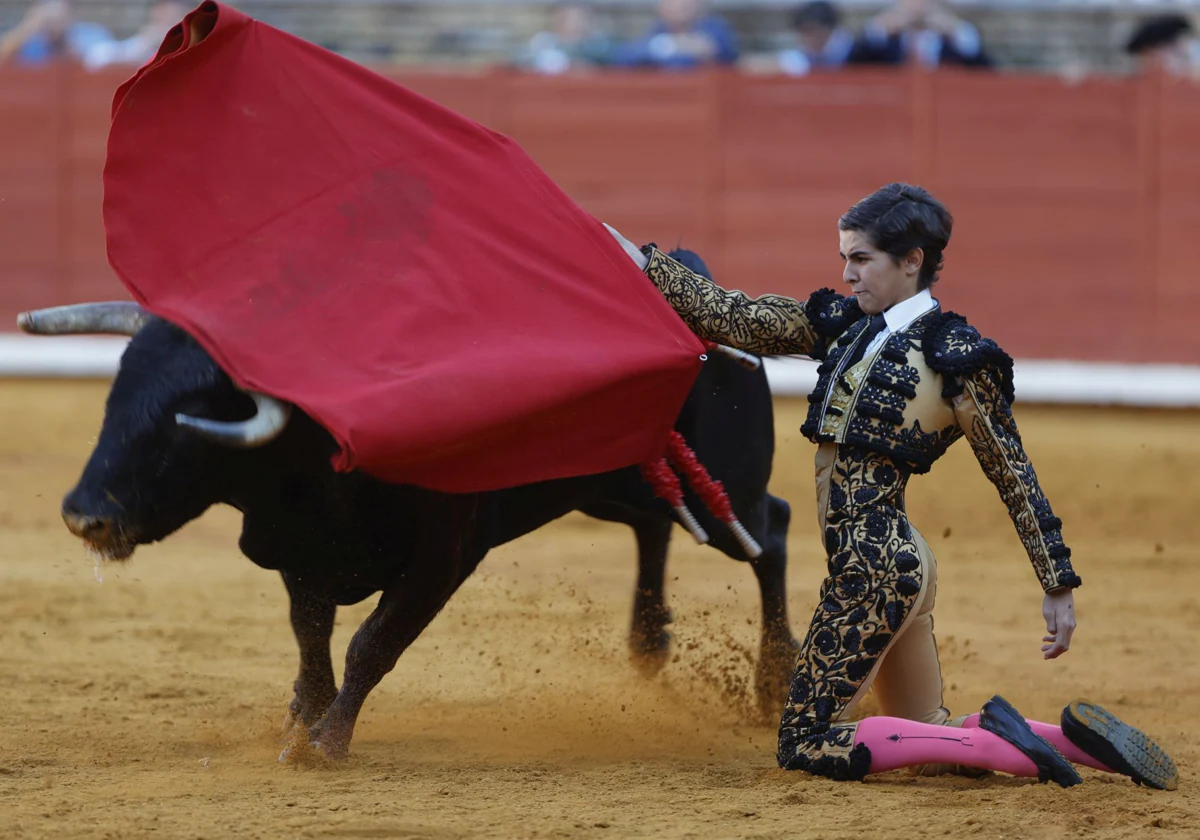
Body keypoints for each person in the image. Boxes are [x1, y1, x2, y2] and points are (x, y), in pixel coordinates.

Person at [602, 183, 1179, 789]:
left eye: (861, 259)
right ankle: (1080, 744)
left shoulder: (956, 357)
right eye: (844, 258)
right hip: (901, 566)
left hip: (872, 575)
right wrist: (640, 260)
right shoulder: (843, 325)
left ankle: (1007, 746)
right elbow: (734, 315)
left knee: (805, 740)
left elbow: (1011, 470)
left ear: (912, 262)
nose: (847, 274)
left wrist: (1057, 582)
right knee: (925, 730)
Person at [612, 0, 738, 70]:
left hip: (706, 102)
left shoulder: (715, 29)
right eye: (671, 3)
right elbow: (627, 57)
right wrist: (672, 45)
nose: (678, 7)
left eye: (685, 4)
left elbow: (722, 53)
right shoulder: (657, 31)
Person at [0, 0, 110, 66]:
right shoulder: (31, 40)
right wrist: (29, 26)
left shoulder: (93, 34)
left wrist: (65, 40)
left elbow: (107, 63)